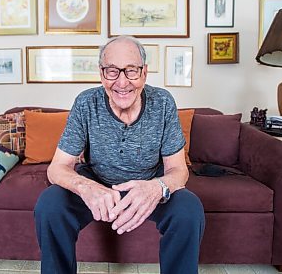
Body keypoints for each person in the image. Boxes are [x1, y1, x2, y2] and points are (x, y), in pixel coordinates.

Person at [34, 35, 205, 273]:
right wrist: (86, 188)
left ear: (144, 73)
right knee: (50, 203)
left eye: (131, 71)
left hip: (147, 183)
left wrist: (156, 188)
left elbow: (178, 170)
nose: (122, 83)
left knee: (189, 208)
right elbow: (57, 168)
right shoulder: (86, 103)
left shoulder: (163, 103)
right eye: (112, 71)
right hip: (97, 182)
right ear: (101, 74)